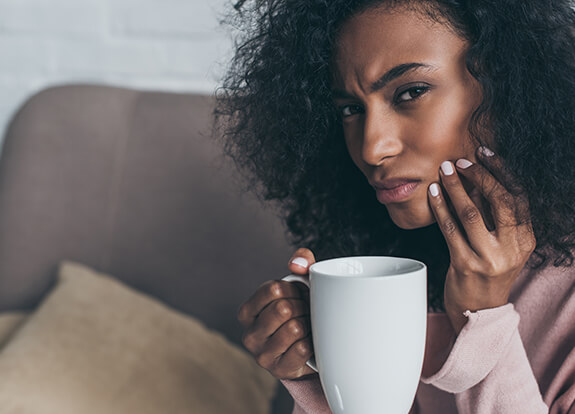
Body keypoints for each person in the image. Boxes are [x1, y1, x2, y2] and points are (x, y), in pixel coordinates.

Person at [215, 0, 575, 412]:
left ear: (508, 85)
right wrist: (322, 373)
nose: (372, 148)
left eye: (410, 92)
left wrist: (484, 322)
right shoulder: (392, 261)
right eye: (350, 109)